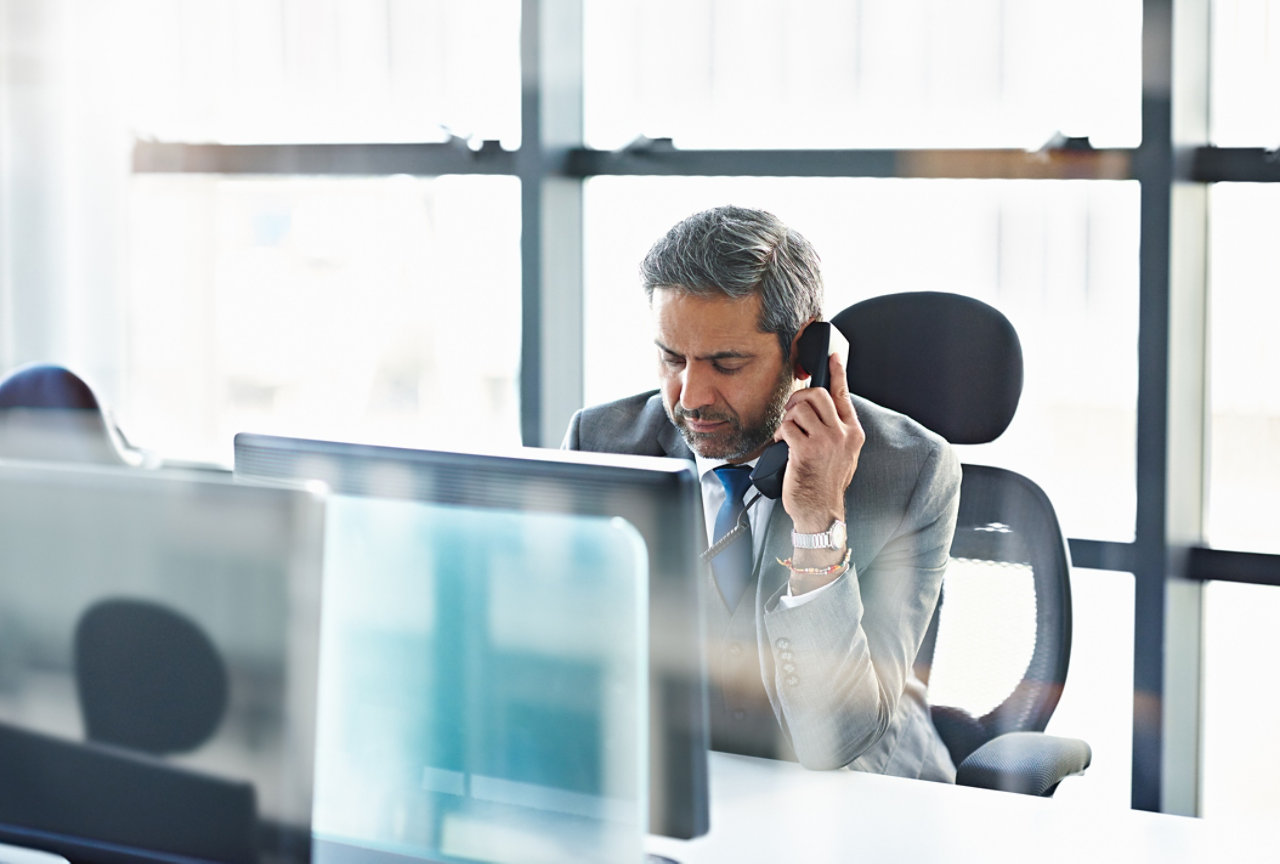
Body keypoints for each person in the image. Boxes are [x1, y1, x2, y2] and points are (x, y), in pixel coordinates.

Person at [563, 205, 960, 781]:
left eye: (726, 363)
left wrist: (818, 520)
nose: (691, 395)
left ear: (805, 355)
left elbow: (836, 740)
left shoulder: (910, 472)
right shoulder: (601, 441)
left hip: (853, 796)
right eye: (673, 358)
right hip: (678, 780)